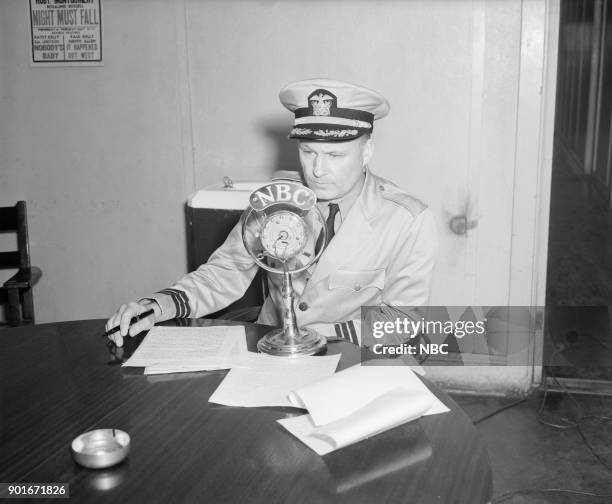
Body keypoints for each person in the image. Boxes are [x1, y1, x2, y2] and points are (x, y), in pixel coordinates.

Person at [106, 78, 437, 350]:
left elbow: (401, 320)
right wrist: (160, 304)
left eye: (335, 155)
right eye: (308, 152)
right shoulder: (276, 201)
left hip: (348, 356)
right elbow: (226, 272)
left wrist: (318, 335)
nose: (318, 169)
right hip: (267, 351)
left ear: (367, 152)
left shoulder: (407, 220)